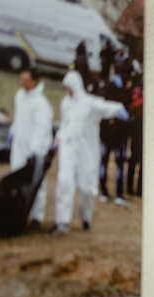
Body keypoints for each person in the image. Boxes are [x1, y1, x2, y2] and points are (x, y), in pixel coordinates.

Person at [53, 71, 129, 234]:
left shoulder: (90, 103)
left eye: (69, 88)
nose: (68, 91)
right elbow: (65, 124)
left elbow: (105, 106)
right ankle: (62, 221)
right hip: (68, 148)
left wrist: (119, 110)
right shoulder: (66, 104)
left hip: (86, 151)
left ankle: (86, 217)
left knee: (87, 187)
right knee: (64, 182)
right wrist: (58, 138)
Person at [8, 67, 53, 226]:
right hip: (19, 144)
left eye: (25, 80)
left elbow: (42, 129)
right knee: (16, 175)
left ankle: (36, 216)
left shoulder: (41, 105)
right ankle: (17, 210)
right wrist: (13, 132)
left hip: (34, 147)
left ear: (34, 82)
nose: (22, 82)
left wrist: (34, 149)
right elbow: (18, 117)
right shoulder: (20, 96)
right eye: (21, 79)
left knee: (35, 182)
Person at [99, 74, 131, 205]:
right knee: (119, 165)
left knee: (103, 163)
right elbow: (126, 118)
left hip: (105, 135)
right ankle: (118, 194)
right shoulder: (122, 98)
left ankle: (103, 192)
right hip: (118, 137)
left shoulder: (103, 96)